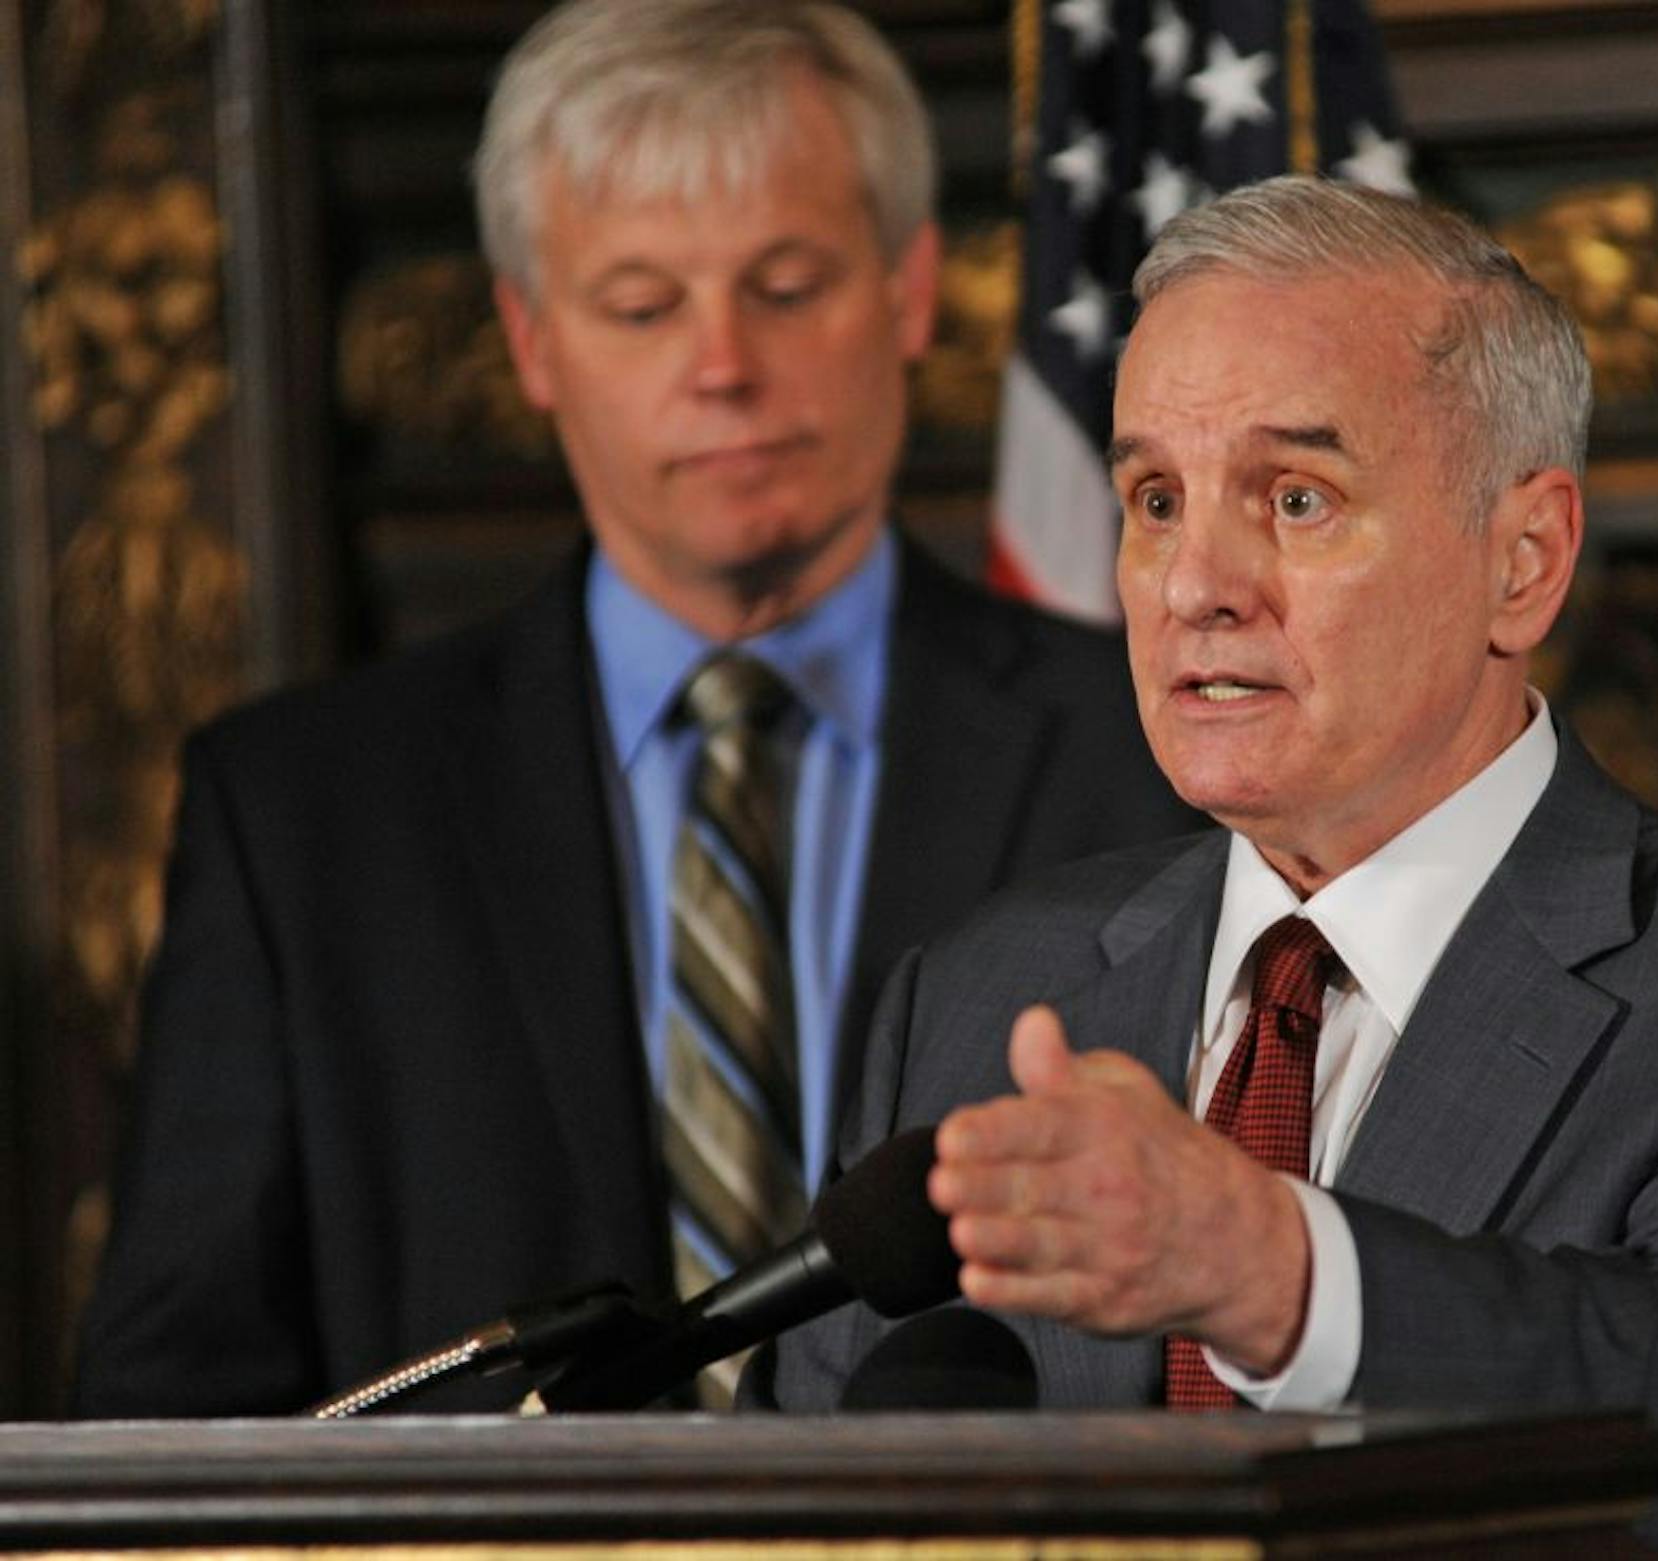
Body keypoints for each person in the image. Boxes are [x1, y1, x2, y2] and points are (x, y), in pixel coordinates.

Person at [761, 177, 1658, 1558]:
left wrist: (1276, 1273)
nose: (1196, 583)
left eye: (1296, 497)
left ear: (1522, 561)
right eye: (1156, 498)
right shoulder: (987, 989)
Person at [72, 0, 1191, 1417]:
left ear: (911, 293)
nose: (722, 364)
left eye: (786, 288)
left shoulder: (1160, 749)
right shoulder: (305, 819)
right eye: (643, 305)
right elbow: (166, 1413)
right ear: (532, 343)